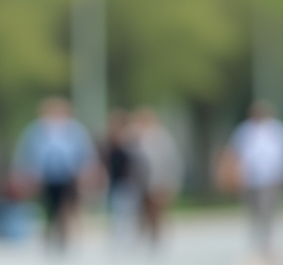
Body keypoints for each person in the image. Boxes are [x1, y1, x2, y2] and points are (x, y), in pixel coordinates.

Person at [13, 96, 99, 248]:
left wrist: (87, 171)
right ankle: (52, 233)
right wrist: (24, 173)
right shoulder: (36, 130)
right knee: (51, 206)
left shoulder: (74, 130)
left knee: (66, 205)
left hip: (69, 175)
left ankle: (63, 234)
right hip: (46, 176)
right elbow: (25, 153)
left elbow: (86, 152)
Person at [226, 101, 283, 257]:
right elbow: (235, 154)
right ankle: (258, 238)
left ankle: (267, 241)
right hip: (250, 179)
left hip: (272, 179)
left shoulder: (279, 131)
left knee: (268, 210)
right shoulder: (244, 131)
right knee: (254, 210)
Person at [129, 108, 182, 246]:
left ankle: (156, 238)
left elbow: (172, 161)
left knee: (157, 212)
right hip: (141, 182)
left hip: (159, 181)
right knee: (142, 212)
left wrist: (171, 182)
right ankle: (144, 237)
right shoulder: (136, 139)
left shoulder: (162, 138)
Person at [101, 109, 138, 245]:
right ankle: (118, 240)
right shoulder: (108, 144)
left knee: (128, 212)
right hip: (113, 182)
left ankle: (129, 239)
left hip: (127, 182)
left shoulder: (131, 143)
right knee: (116, 213)